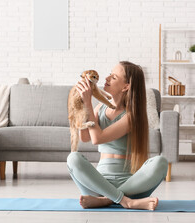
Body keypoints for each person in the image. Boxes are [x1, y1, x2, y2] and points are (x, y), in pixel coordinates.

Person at [67, 61, 168, 211]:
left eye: (113, 77)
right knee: (73, 158)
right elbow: (86, 138)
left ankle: (107, 200)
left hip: (131, 185)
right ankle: (124, 201)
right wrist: (81, 107)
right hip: (99, 183)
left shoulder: (131, 116)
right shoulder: (100, 108)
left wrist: (88, 102)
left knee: (161, 162)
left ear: (126, 86)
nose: (106, 78)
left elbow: (97, 139)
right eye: (109, 74)